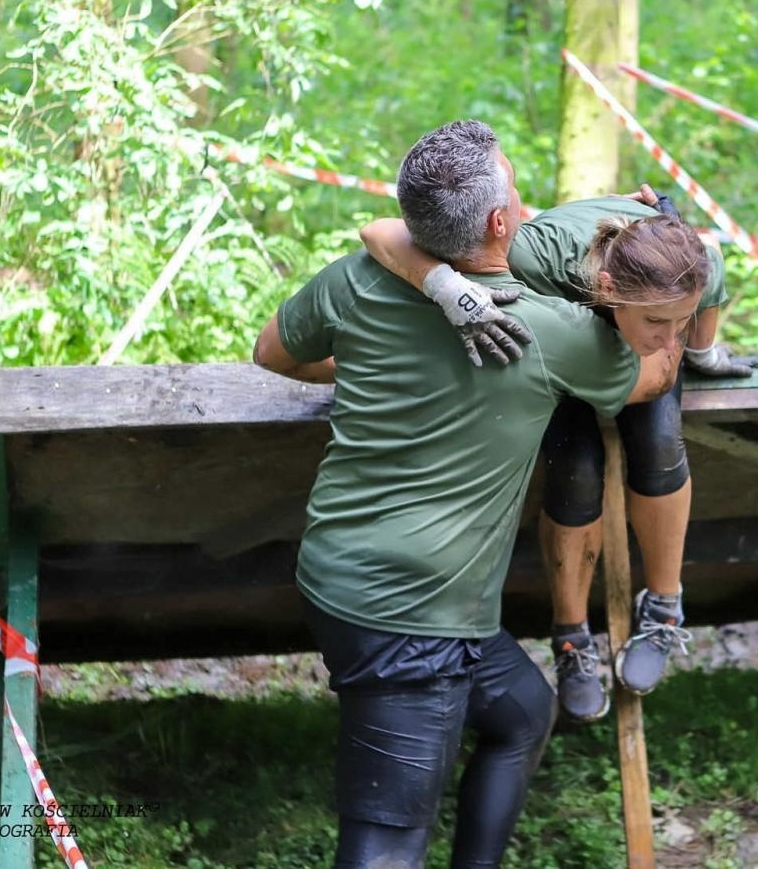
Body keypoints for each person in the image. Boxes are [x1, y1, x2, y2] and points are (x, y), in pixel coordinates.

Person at [253, 120, 678, 869]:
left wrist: (372, 363)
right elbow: (652, 378)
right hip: (411, 617)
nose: (529, 205)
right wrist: (675, 303)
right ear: (498, 222)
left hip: (341, 576)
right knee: (385, 846)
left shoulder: (355, 279)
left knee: (522, 712)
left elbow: (273, 352)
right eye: (519, 193)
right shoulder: (550, 330)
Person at [361, 191, 748, 723]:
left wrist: (698, 351)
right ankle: (570, 639)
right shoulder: (533, 256)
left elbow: (696, 319)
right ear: (609, 289)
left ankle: (663, 605)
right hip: (563, 339)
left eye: (679, 322)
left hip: (629, 317)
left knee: (658, 443)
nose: (669, 339)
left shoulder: (698, 263)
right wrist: (448, 288)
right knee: (575, 468)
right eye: (661, 323)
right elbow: (381, 231)